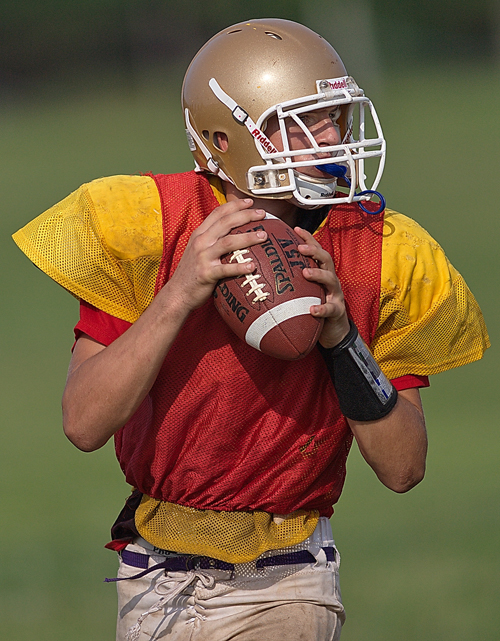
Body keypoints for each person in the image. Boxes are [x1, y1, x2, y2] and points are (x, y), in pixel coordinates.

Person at [13, 18, 489, 641]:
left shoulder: (384, 251)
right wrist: (179, 294)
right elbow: (83, 423)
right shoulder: (150, 224)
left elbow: (403, 468)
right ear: (223, 137)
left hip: (286, 580)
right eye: (302, 121)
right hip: (152, 576)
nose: (330, 137)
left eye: (335, 116)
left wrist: (343, 339)